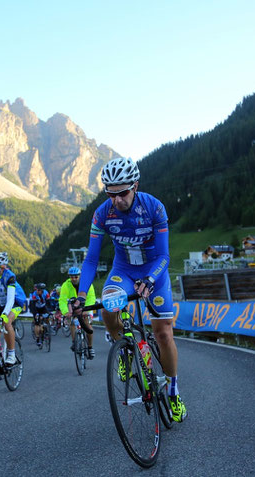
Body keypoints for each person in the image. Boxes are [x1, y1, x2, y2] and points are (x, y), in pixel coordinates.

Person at [70, 157, 187, 422]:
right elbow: (90, 259)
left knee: (164, 334)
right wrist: (79, 296)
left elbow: (165, 256)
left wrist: (149, 279)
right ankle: (122, 347)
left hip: (153, 270)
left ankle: (173, 390)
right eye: (111, 194)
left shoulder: (154, 208)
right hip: (122, 270)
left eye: (122, 193)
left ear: (135, 185)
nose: (117, 200)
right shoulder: (102, 214)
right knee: (109, 304)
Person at [58, 267, 96, 356]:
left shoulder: (87, 283)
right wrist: (66, 312)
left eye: (76, 277)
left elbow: (91, 297)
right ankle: (74, 342)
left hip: (85, 305)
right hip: (72, 305)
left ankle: (90, 347)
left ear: (80, 276)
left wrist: (87, 309)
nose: (74, 279)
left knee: (87, 325)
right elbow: (62, 300)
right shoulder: (65, 285)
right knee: (71, 321)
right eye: (71, 277)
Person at [29, 283, 50, 348]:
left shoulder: (46, 293)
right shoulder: (34, 294)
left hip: (43, 307)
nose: (37, 291)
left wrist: (50, 312)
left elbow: (49, 303)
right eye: (37, 290)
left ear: (42, 290)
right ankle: (38, 338)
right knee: (37, 323)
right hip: (36, 308)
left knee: (48, 316)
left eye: (39, 290)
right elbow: (32, 305)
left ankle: (46, 329)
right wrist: (35, 314)